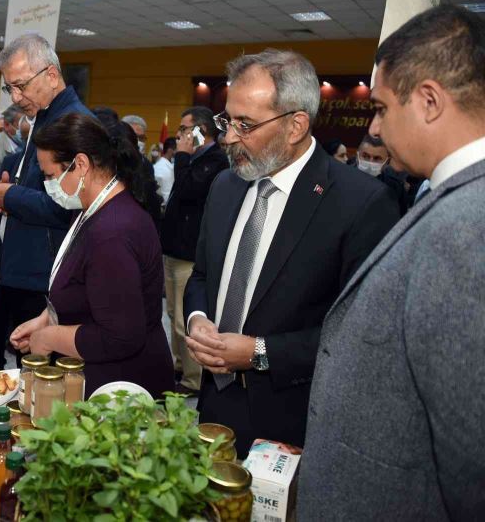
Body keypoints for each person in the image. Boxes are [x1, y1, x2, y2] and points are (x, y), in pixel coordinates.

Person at [299, 6, 485, 520]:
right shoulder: (451, 200)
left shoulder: (468, 226)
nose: (375, 129)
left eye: (381, 108)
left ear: (428, 101)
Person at [183, 49, 399, 457]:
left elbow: (362, 336)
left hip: (292, 416)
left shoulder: (360, 203)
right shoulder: (226, 186)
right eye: (227, 120)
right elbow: (202, 276)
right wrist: (197, 320)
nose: (229, 137)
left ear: (296, 125)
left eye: (245, 125)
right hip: (215, 401)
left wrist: (259, 353)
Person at [10, 113, 174, 398]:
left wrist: (49, 337)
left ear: (81, 164)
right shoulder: (95, 207)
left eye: (50, 175)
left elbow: (120, 336)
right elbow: (88, 287)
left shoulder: (112, 233)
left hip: (121, 387)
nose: (48, 185)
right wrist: (46, 318)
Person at [0, 33, 90, 370]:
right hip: (24, 267)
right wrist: (7, 195)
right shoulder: (45, 116)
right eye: (9, 88)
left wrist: (11, 196)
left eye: (21, 85)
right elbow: (40, 188)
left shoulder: (72, 124)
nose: (15, 97)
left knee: (41, 378)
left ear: (52, 75)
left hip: (45, 276)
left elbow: (69, 206)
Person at [161, 106, 230, 395]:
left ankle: (192, 380)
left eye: (185, 129)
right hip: (173, 249)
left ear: (201, 131)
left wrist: (182, 156)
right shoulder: (197, 158)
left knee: (183, 320)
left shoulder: (215, 161)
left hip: (190, 254)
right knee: (172, 314)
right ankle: (180, 367)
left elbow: (188, 189)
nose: (180, 135)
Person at [154, 137, 177, 204]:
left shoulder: (159, 165)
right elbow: (168, 195)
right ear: (170, 150)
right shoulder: (165, 169)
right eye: (177, 149)